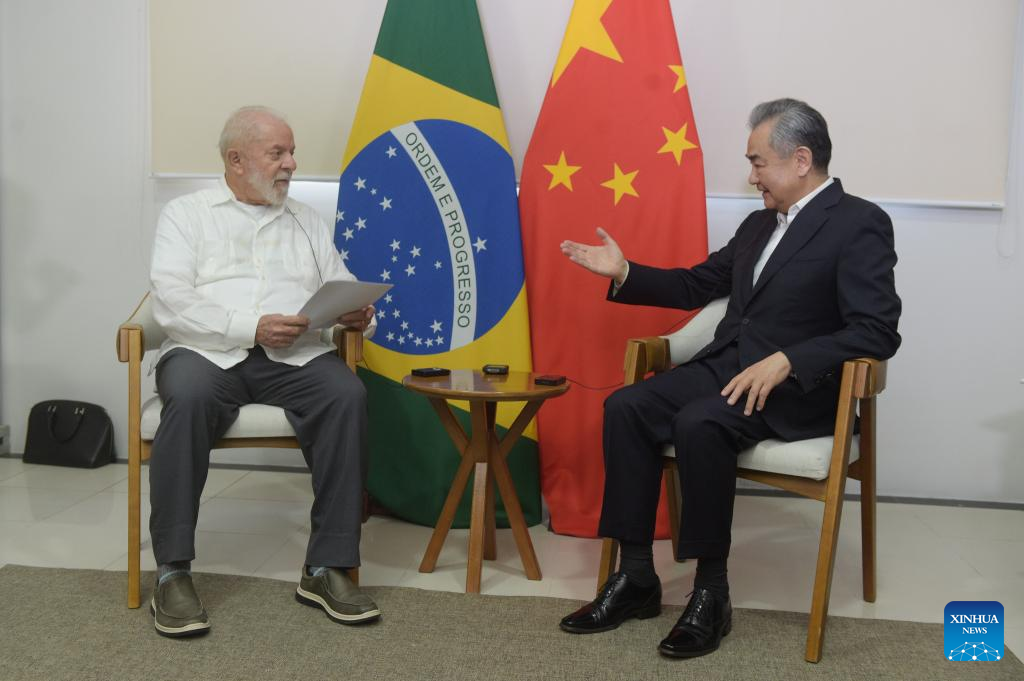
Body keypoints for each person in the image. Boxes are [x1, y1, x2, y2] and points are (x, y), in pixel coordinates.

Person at [557, 98, 901, 658]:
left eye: (758, 162)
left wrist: (790, 359)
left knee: (700, 423)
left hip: (796, 390)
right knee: (626, 407)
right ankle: (636, 577)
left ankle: (711, 594)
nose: (752, 175)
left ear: (800, 160)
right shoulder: (758, 224)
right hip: (726, 369)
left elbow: (877, 330)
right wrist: (624, 272)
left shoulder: (860, 223)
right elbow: (697, 284)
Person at [147, 106, 379, 637]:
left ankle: (327, 568)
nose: (291, 164)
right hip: (206, 352)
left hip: (293, 356)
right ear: (236, 159)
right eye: (278, 153)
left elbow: (341, 286)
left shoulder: (306, 220)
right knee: (188, 396)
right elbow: (171, 299)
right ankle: (172, 572)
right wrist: (248, 326)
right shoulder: (186, 214)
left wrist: (355, 314)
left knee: (346, 395)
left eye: (291, 152)